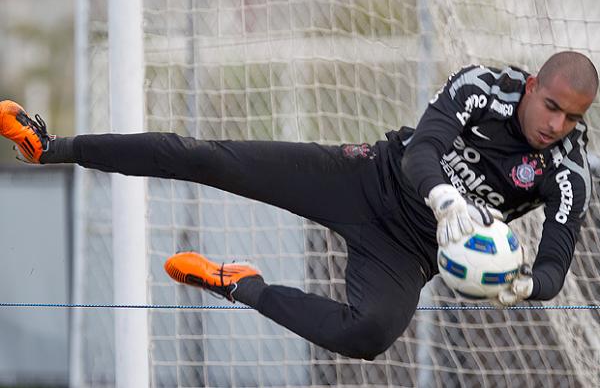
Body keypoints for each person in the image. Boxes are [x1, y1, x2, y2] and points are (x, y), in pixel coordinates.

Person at [0, 51, 597, 360]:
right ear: (530, 87)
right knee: (207, 157)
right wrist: (444, 198)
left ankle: (243, 285)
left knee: (369, 335)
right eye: (551, 106)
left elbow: (554, 262)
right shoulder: (480, 87)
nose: (557, 123)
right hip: (365, 178)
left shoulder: (566, 167)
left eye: (573, 116)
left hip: (409, 252)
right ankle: (50, 146)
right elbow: (424, 153)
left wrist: (521, 284)